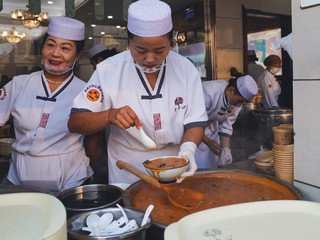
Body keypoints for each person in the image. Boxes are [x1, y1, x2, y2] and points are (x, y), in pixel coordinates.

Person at [68, 0, 208, 185]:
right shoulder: (108, 70)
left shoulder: (186, 69)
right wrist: (110, 115)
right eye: (140, 50)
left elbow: (195, 122)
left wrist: (188, 149)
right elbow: (75, 123)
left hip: (174, 167)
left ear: (171, 40)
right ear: (129, 39)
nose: (150, 59)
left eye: (160, 50)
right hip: (127, 170)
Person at [0, 17, 93, 193]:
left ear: (78, 55)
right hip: (19, 175)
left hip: (71, 179)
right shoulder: (19, 84)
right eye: (50, 45)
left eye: (65, 48)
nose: (55, 53)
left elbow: (94, 137)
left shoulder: (85, 91)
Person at [195, 75, 258, 169]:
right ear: (231, 90)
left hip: (212, 130)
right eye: (239, 101)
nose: (239, 105)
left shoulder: (236, 104)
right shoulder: (207, 92)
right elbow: (192, 121)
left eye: (243, 102)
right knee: (198, 167)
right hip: (194, 131)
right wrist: (207, 141)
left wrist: (226, 149)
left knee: (213, 166)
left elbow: (226, 126)